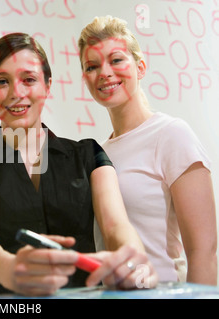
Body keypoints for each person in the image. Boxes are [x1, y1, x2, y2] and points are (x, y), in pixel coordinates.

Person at [0, 32, 158, 297]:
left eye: (29, 79)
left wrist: (133, 260)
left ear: (47, 85)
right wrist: (11, 269)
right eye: (2, 81)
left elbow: (116, 226)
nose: (16, 93)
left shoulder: (88, 153)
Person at [78, 16, 217, 285]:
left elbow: (204, 252)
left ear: (140, 67)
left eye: (116, 60)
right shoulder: (98, 154)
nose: (105, 72)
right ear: (85, 78)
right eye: (92, 66)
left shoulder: (172, 135)